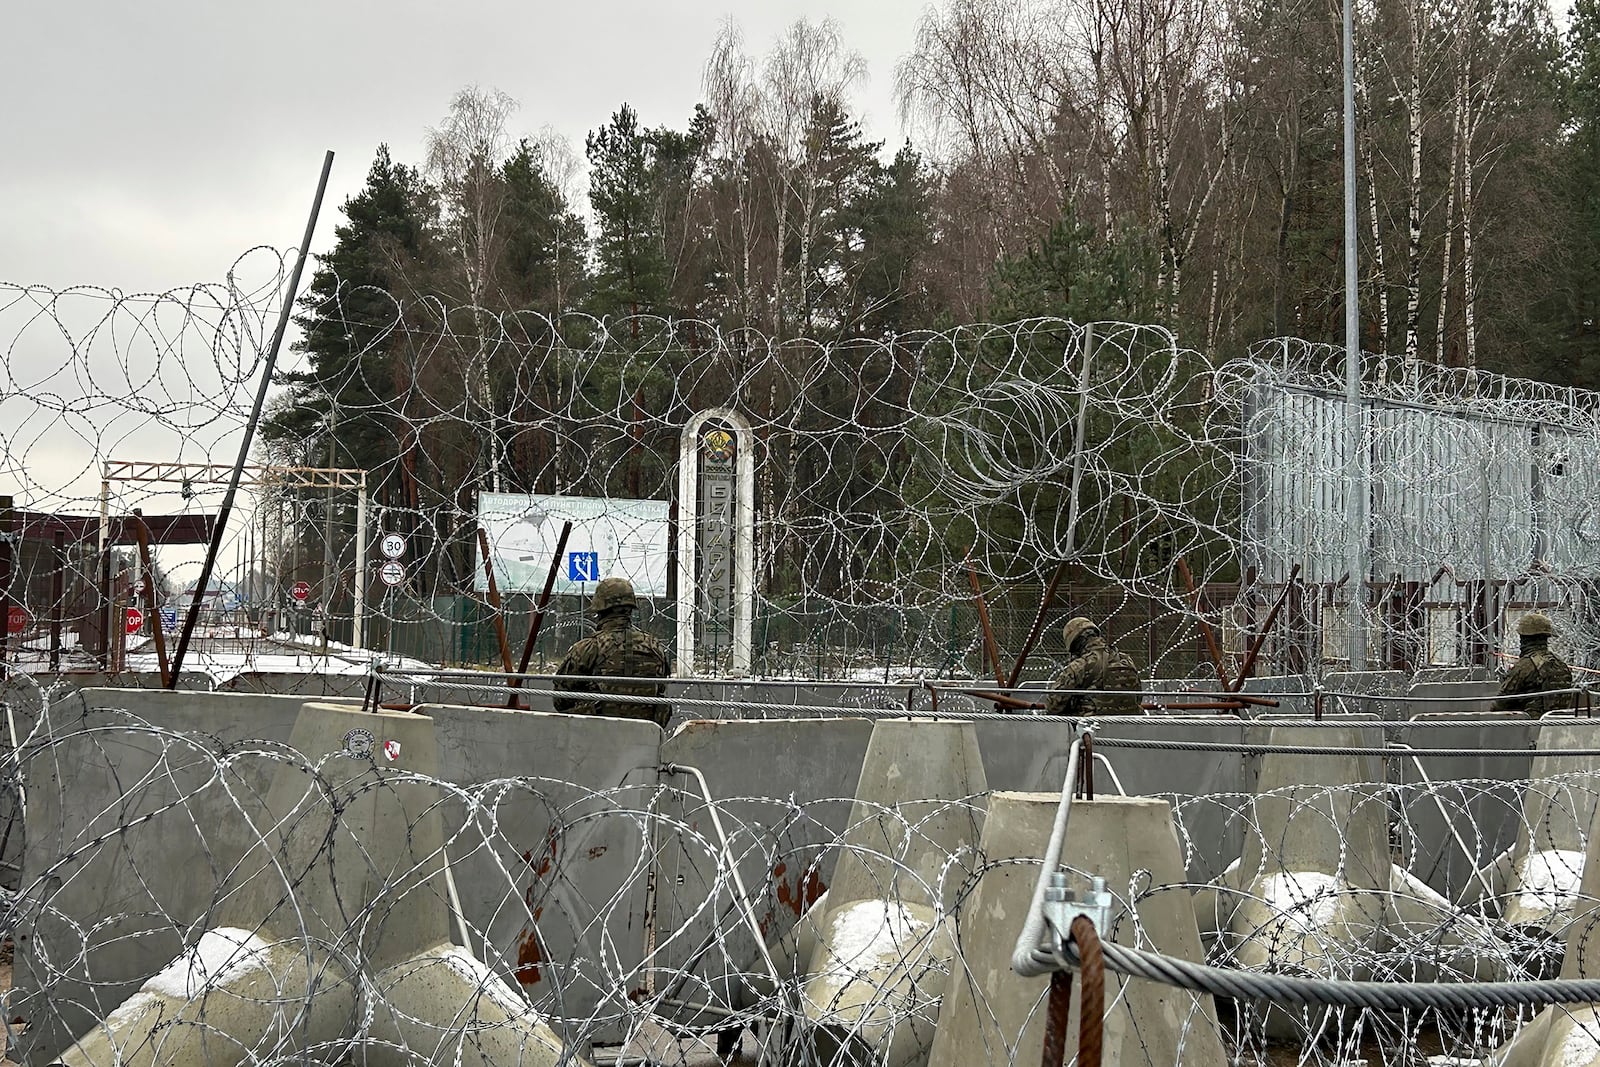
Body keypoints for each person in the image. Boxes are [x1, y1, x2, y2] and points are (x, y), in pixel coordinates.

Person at [553, 577, 672, 728]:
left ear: (599, 609)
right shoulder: (655, 647)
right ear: (630, 608)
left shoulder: (589, 648)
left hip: (594, 737)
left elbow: (561, 700)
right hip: (645, 739)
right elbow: (660, 693)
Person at [1044, 616, 1143, 716]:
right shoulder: (1126, 660)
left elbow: (1053, 706)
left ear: (1074, 644)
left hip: (1092, 727)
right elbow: (1138, 697)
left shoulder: (1080, 665)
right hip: (1132, 726)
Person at [1492, 612, 1574, 716]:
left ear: (1523, 637)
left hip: (1530, 728)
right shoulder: (1561, 665)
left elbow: (1500, 704)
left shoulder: (1524, 667)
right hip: (1557, 727)